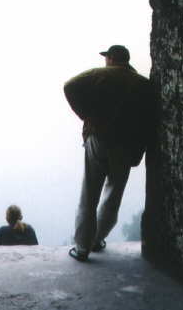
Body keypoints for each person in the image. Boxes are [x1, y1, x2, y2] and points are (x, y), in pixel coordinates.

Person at [64, 45, 155, 262]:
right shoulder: (142, 83)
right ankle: (97, 239)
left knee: (89, 194)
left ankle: (83, 247)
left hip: (98, 139)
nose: (105, 61)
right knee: (113, 194)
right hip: (125, 145)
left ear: (112, 58)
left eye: (107, 57)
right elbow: (148, 115)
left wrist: (86, 115)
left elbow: (70, 86)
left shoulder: (100, 75)